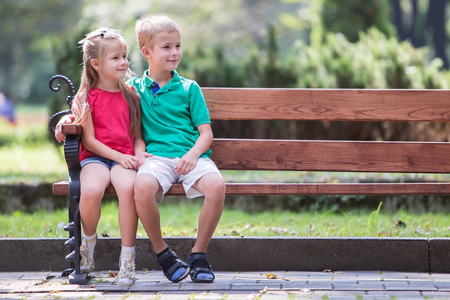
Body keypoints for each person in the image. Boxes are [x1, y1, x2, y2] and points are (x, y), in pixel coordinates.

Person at [128, 14, 226, 283]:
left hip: (192, 157)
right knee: (143, 187)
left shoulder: (188, 88)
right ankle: (164, 254)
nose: (175, 52)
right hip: (156, 158)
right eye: (167, 47)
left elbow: (206, 133)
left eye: (178, 46)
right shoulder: (134, 90)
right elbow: (135, 132)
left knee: (217, 186)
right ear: (147, 52)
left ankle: (199, 254)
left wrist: (192, 155)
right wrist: (138, 152)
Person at [55, 27, 150, 285]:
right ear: (96, 64)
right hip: (96, 157)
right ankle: (88, 242)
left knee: (129, 188)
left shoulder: (131, 95)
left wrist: (139, 155)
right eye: (116, 57)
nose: (124, 62)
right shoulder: (86, 97)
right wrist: (119, 158)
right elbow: (91, 141)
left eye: (124, 56)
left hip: (125, 157)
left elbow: (137, 136)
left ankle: (127, 260)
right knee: (91, 190)